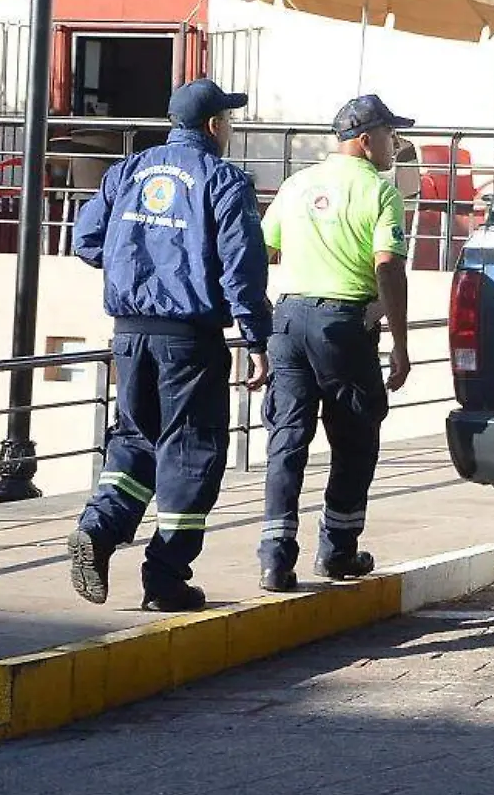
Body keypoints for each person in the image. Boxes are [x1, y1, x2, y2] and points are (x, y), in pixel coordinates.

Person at [66, 78, 272, 612]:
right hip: (190, 339)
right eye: (228, 119)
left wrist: (139, 258)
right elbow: (242, 269)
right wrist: (257, 338)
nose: (230, 127)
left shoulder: (127, 171)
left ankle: (100, 527)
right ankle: (165, 576)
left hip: (129, 334)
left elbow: (86, 241)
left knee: (136, 437)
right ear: (213, 126)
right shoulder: (223, 179)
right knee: (191, 449)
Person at [256, 93, 413, 592]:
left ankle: (275, 560)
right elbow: (387, 265)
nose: (396, 144)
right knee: (354, 439)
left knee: (287, 440)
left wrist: (262, 320)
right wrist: (400, 343)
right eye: (390, 134)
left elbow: (259, 250)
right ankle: (337, 550)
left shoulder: (297, 183)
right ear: (366, 141)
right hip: (344, 328)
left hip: (288, 320)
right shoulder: (380, 191)